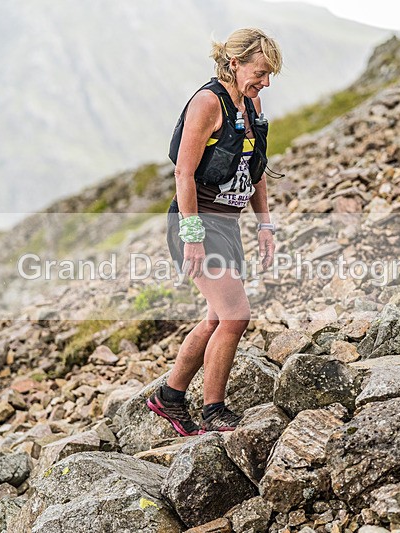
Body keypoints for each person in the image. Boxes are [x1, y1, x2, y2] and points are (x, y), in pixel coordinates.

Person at [146, 28, 283, 435]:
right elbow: (184, 172)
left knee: (214, 320)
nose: (266, 82)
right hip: (197, 221)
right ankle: (213, 411)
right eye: (260, 72)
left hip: (228, 223)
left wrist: (265, 225)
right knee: (236, 316)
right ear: (234, 63)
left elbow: (255, 170)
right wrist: (191, 237)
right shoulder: (208, 103)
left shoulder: (252, 102)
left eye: (270, 74)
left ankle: (169, 399)